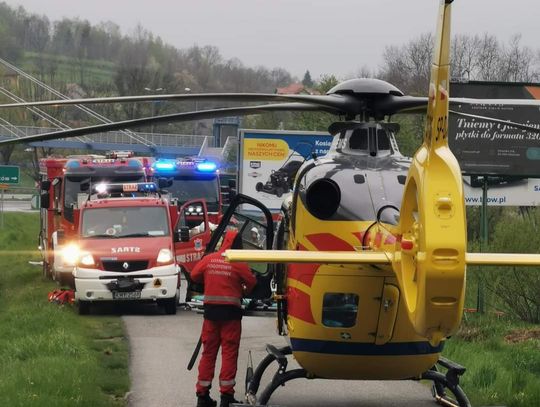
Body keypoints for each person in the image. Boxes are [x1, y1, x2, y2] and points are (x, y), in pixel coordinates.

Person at [191, 230, 256, 407]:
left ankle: (202, 396)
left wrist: (210, 281)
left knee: (208, 353)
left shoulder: (209, 259)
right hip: (231, 316)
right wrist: (243, 291)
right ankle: (226, 397)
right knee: (229, 353)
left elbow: (194, 275)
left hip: (211, 315)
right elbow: (251, 282)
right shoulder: (238, 261)